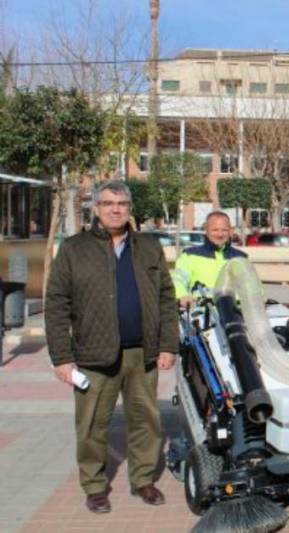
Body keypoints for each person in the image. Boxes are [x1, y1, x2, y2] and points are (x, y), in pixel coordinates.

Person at [45, 180, 178, 514]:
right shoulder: (75, 248)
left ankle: (143, 479)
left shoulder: (148, 246)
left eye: (122, 203)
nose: (115, 209)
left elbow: (166, 297)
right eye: (108, 203)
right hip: (93, 354)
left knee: (146, 420)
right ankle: (94, 485)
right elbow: (57, 303)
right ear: (96, 209)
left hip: (141, 352)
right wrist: (61, 357)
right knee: (91, 424)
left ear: (130, 209)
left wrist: (168, 345)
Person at [172, 211, 247, 308]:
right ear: (206, 230)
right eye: (214, 230)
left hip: (236, 314)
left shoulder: (241, 258)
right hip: (202, 313)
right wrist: (182, 296)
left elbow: (253, 287)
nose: (220, 234)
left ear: (230, 231)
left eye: (224, 230)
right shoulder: (189, 255)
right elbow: (178, 280)